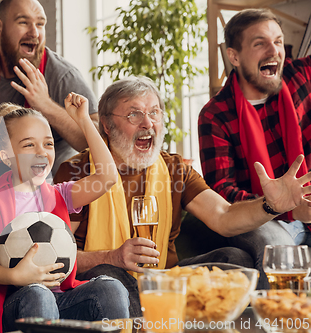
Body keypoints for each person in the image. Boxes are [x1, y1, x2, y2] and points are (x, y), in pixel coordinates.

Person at [54, 76, 311, 317]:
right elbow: (58, 256)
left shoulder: (174, 169)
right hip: (107, 287)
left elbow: (223, 216)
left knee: (236, 260)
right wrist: (112, 256)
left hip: (163, 279)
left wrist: (271, 205)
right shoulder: (78, 172)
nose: (148, 123)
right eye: (134, 114)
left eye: (154, 112)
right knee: (107, 274)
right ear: (107, 126)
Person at [0, 94, 129, 333]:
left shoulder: (61, 194)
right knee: (39, 294)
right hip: (19, 302)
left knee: (111, 289)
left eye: (48, 143)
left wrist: (83, 120)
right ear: (6, 156)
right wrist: (15, 276)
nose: (41, 152)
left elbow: (107, 177)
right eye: (29, 145)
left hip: (62, 298)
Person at [198, 9, 311, 289]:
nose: (274, 50)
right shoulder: (215, 115)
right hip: (262, 216)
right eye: (260, 43)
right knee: (280, 253)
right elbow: (223, 193)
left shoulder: (302, 77)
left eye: (278, 40)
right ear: (234, 56)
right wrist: (288, 209)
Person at [0, 0, 98, 178]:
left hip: (45, 186)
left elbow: (98, 142)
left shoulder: (63, 75)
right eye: (23, 22)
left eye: (40, 24)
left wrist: (46, 105)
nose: (34, 32)